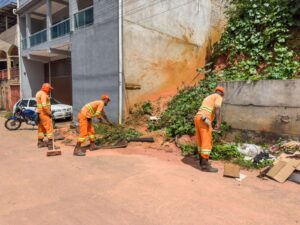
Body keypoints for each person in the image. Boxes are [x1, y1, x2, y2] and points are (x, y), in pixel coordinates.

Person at [194, 86, 225, 172]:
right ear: (222, 93)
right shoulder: (218, 97)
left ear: (216, 91)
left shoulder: (208, 97)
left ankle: (201, 161)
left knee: (201, 140)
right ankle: (205, 165)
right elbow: (217, 109)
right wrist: (218, 122)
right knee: (207, 141)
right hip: (205, 119)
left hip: (198, 118)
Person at [36, 83, 57, 150]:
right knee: (49, 127)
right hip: (44, 113)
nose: (50, 90)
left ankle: (40, 143)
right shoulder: (43, 94)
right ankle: (51, 145)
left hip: (40, 113)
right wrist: (49, 113)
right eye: (49, 89)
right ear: (46, 88)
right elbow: (44, 105)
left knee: (41, 128)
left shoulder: (39, 93)